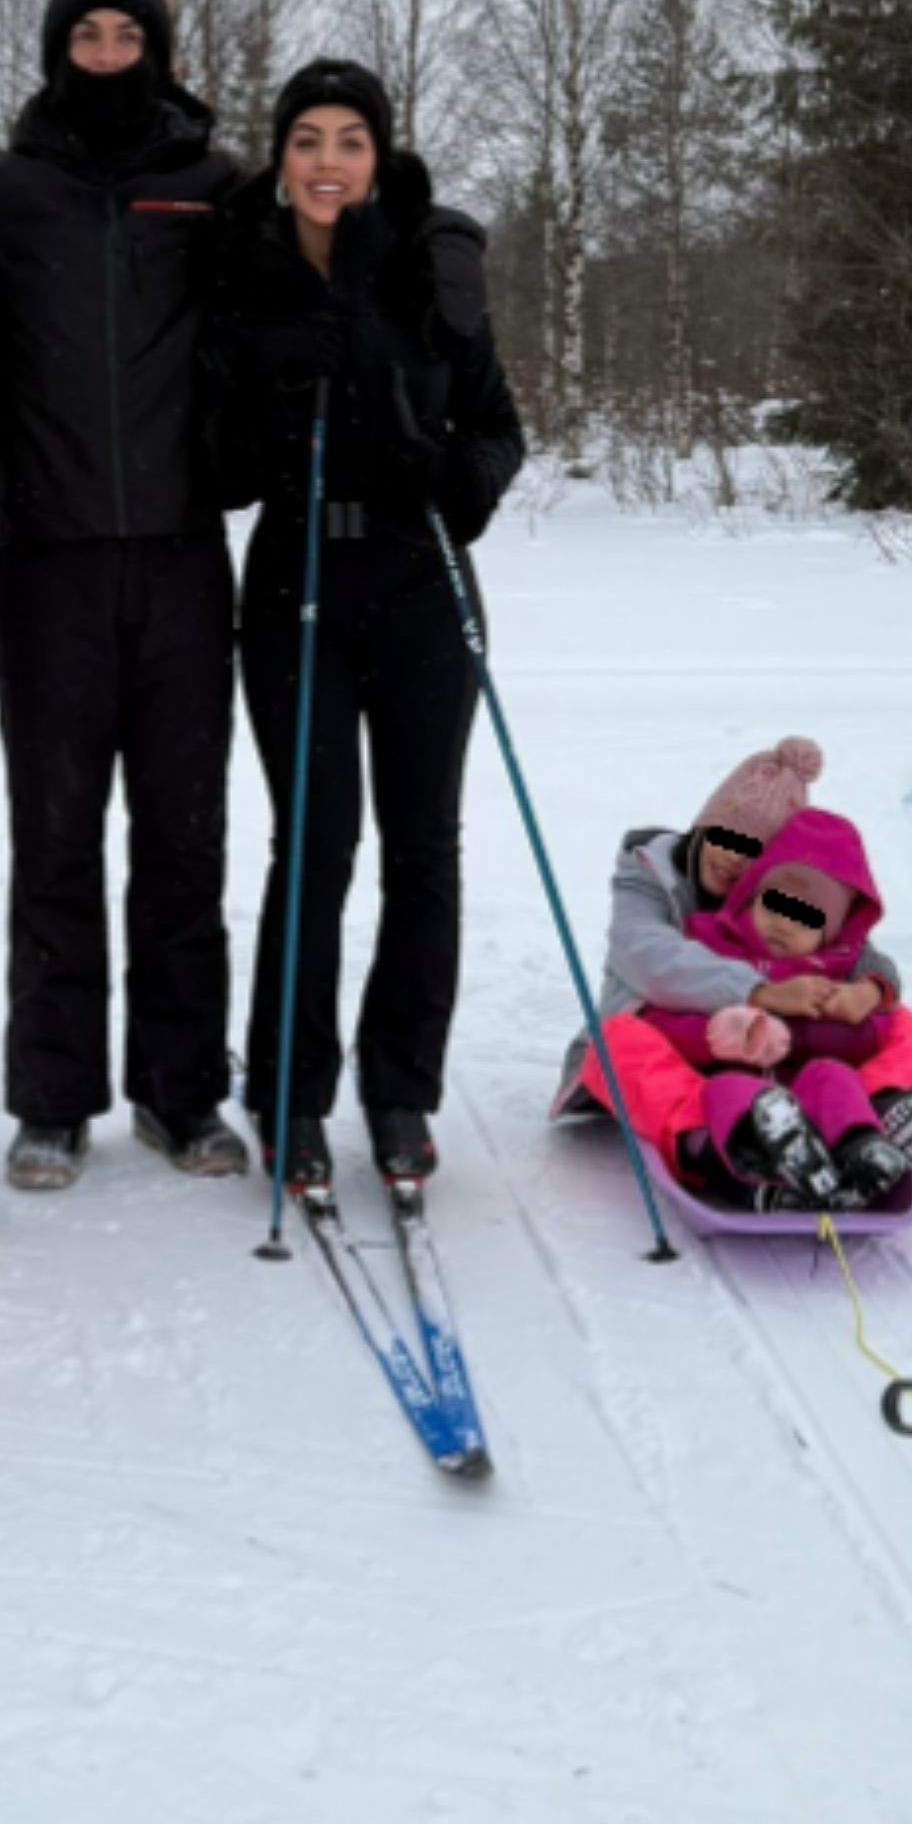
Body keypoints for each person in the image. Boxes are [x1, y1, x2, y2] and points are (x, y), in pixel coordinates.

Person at [0, 0, 247, 1191]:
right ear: (57, 48)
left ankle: (181, 1094)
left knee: (184, 837)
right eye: (87, 33)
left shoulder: (211, 184)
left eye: (130, 33)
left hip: (180, 557)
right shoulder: (4, 188)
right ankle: (52, 1099)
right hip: (46, 559)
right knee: (55, 836)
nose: (108, 50)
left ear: (160, 48)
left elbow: (333, 235)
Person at [202, 61, 526, 1194]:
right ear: (280, 158)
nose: (327, 162)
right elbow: (217, 459)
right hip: (296, 577)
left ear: (375, 158)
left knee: (422, 848)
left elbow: (497, 431)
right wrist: (257, 426)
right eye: (306, 140)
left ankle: (400, 1094)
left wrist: (441, 470)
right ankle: (289, 1095)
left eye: (349, 141)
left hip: (419, 577)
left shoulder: (428, 264)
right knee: (317, 845)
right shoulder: (241, 270)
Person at [555, 753, 912, 1209]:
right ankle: (703, 1138)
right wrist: (762, 996)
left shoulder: (784, 905)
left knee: (904, 1025)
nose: (732, 858)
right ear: (703, 827)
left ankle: (870, 1120)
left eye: (754, 852)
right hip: (683, 1056)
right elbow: (648, 957)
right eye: (725, 837)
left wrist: (866, 993)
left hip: (796, 1070)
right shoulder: (654, 881)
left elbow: (863, 955)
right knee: (617, 1040)